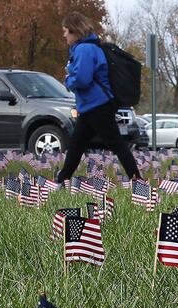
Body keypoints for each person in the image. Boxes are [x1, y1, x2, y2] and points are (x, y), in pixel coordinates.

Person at [57, 12, 141, 183]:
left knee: (115, 144)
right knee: (77, 145)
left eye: (66, 31)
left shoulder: (84, 49)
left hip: (97, 105)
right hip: (92, 105)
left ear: (75, 30)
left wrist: (68, 80)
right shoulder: (89, 47)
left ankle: (138, 180)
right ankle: (62, 179)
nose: (64, 34)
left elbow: (83, 78)